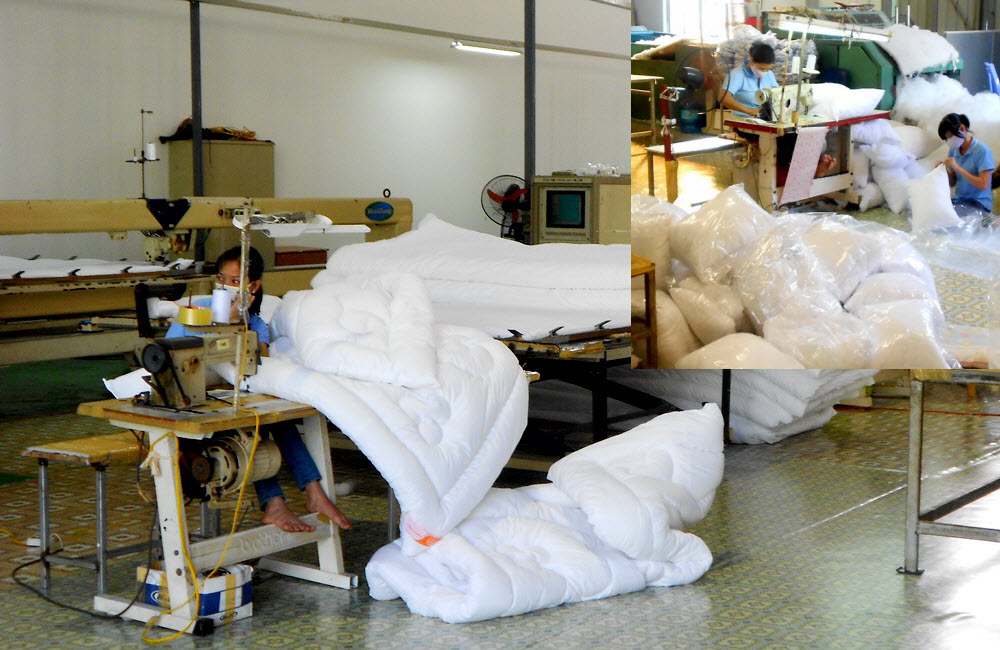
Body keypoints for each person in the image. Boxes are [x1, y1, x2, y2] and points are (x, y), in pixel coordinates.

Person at [167, 246, 351, 533]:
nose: (225, 287)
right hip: (189, 404)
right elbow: (170, 356)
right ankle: (276, 501)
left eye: (235, 281)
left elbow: (257, 366)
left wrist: (237, 322)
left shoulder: (255, 324)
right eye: (221, 279)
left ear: (253, 287)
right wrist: (221, 321)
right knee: (253, 427)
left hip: (228, 401)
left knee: (279, 421)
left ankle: (312, 492)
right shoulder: (195, 312)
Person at [937, 113, 995, 221]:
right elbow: (952, 182)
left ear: (962, 129)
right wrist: (944, 171)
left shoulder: (982, 151)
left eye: (950, 136)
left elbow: (983, 185)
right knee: (937, 211)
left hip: (979, 203)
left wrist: (958, 168)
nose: (949, 141)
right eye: (947, 139)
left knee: (948, 220)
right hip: (961, 201)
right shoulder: (954, 150)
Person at [720, 41, 779, 118]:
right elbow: (723, 98)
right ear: (752, 60)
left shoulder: (769, 74)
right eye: (762, 68)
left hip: (765, 118)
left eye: (768, 69)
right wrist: (750, 111)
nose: (764, 72)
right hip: (744, 119)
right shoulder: (737, 75)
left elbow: (777, 93)